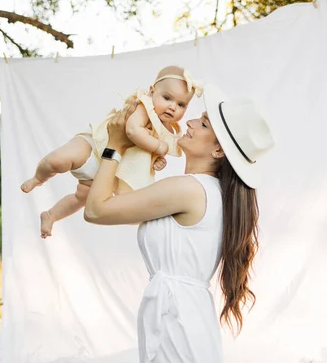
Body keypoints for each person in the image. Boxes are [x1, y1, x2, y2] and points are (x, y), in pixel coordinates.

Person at [84, 84, 275, 363]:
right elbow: (118, 208)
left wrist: (114, 144)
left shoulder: (188, 190)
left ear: (219, 150)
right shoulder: (209, 193)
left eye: (204, 123)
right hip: (183, 318)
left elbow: (96, 211)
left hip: (177, 322)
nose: (190, 122)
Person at [20, 66, 203, 238]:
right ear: (152, 91)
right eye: (167, 98)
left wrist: (156, 160)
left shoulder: (165, 130)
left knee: (81, 198)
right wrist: (157, 146)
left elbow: (146, 155)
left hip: (107, 171)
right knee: (57, 161)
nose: (173, 107)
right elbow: (132, 131)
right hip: (94, 149)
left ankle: (51, 215)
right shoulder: (144, 107)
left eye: (181, 105)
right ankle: (38, 177)